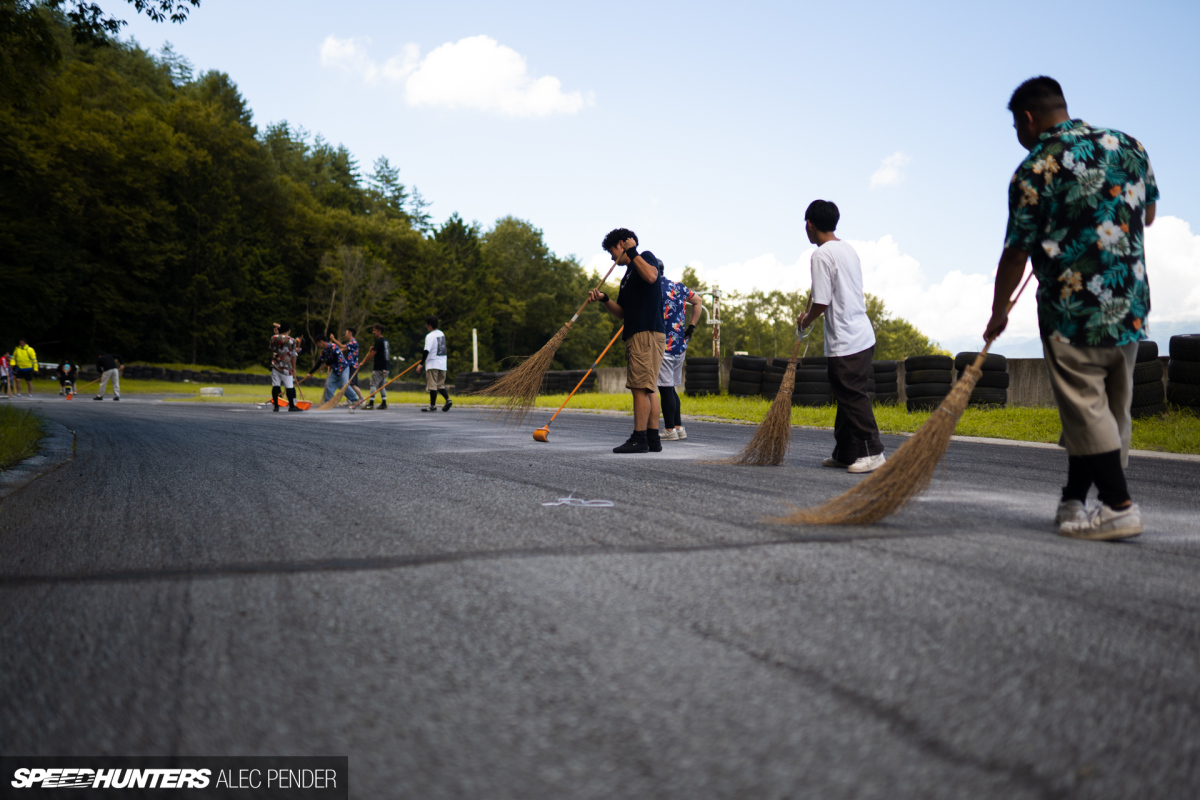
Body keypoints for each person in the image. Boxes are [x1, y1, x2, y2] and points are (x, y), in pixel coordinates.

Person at [985, 76, 1158, 541]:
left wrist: (999, 312)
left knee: (1085, 410)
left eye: (1016, 128)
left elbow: (1016, 253)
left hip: (1071, 308)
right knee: (1110, 410)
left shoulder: (1034, 168)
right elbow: (1148, 214)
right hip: (1128, 302)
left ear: (1027, 118)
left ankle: (1120, 506)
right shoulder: (1129, 146)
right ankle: (1074, 500)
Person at [796, 200, 885, 473]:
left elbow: (821, 301)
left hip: (846, 340)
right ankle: (845, 453)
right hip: (862, 334)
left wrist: (805, 319)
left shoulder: (822, 255)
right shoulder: (847, 249)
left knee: (851, 394)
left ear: (810, 224)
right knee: (845, 393)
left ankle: (873, 451)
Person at [589, 228, 666, 453]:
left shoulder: (644, 259)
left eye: (612, 251)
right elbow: (622, 312)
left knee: (640, 387)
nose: (611, 257)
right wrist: (604, 299)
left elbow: (652, 276)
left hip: (646, 332)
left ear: (622, 245)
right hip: (638, 332)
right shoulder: (627, 276)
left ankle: (638, 439)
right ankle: (652, 438)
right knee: (649, 388)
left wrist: (633, 252)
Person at [658, 274, 703, 441]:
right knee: (671, 388)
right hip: (679, 345)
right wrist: (691, 327)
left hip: (663, 346)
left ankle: (669, 430)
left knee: (665, 389)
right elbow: (698, 301)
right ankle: (679, 427)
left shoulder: (654, 288)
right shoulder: (679, 286)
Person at [416, 315, 451, 412]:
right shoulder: (441, 333)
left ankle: (432, 406)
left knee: (432, 385)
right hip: (442, 363)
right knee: (440, 384)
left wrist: (421, 364)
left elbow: (426, 350)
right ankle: (448, 399)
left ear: (429, 325)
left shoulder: (430, 336)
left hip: (433, 363)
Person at [269, 322, 302, 412]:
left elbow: (272, 348)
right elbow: (293, 355)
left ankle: (276, 406)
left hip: (275, 364)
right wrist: (294, 368)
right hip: (286, 366)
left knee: (275, 385)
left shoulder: (273, 338)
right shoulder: (291, 340)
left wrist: (277, 333)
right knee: (289, 386)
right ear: (289, 330)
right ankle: (291, 406)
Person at [317, 333, 356, 404]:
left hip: (343, 368)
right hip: (335, 370)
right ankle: (329, 402)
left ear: (321, 342)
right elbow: (319, 363)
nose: (318, 345)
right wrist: (309, 373)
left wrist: (327, 363)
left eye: (318, 343)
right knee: (329, 385)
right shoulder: (323, 352)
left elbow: (335, 358)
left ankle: (355, 399)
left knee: (343, 384)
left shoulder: (333, 346)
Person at [366, 323, 390, 410]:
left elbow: (373, 354)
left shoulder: (379, 341)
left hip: (379, 368)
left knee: (373, 384)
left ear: (379, 331)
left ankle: (371, 404)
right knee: (381, 385)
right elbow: (381, 352)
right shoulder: (385, 341)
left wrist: (363, 362)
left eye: (374, 331)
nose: (373, 332)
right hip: (386, 367)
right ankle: (384, 403)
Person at [341, 327, 363, 403]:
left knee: (352, 384)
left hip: (353, 366)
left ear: (350, 333)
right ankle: (349, 400)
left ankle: (362, 399)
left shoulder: (353, 343)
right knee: (348, 384)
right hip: (349, 366)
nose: (345, 335)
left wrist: (333, 340)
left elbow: (342, 346)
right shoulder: (350, 344)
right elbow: (342, 349)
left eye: (346, 333)